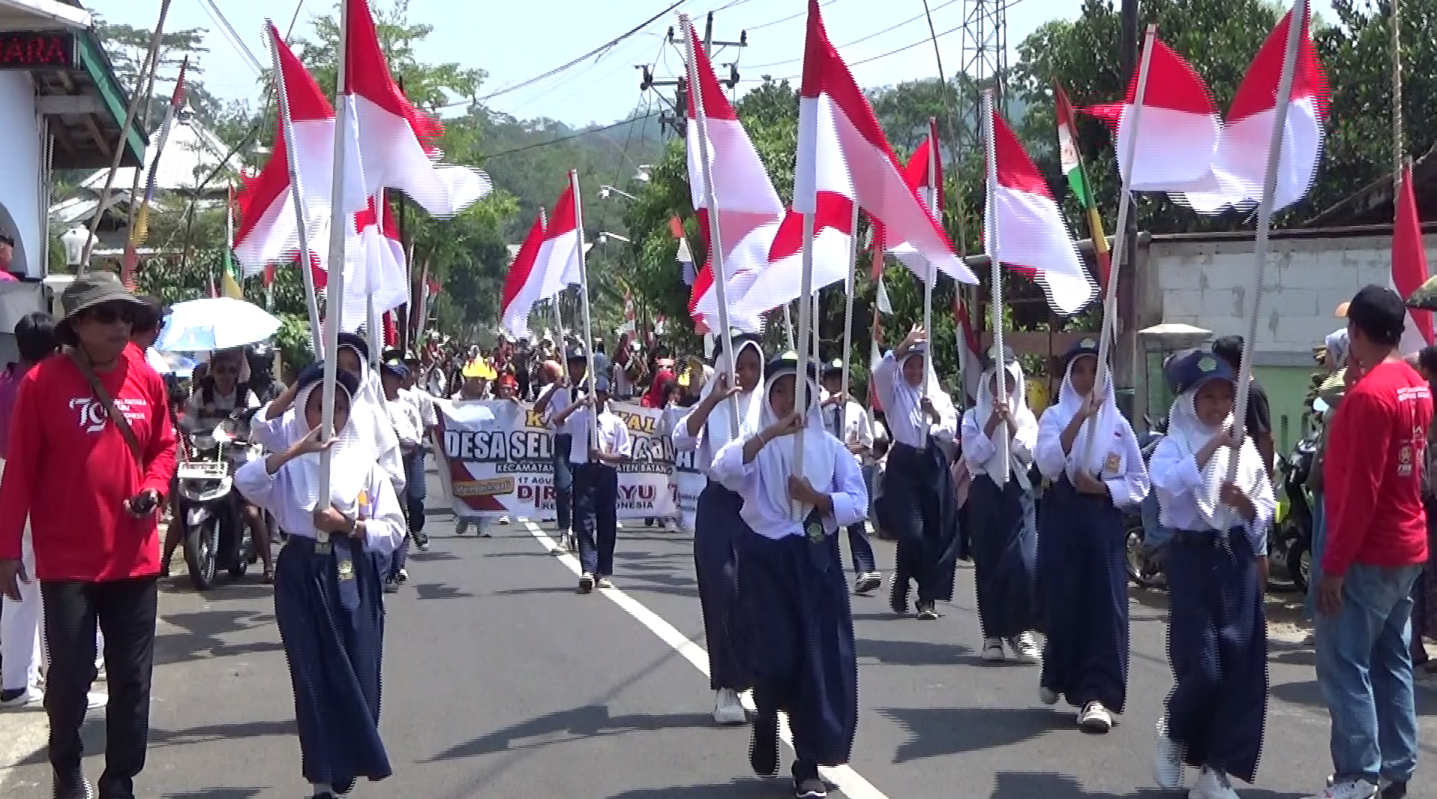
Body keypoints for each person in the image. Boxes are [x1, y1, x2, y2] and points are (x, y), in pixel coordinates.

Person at [0, 272, 178, 799]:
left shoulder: (147, 379)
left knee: (133, 681)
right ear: (77, 324)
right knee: (69, 680)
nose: (120, 325)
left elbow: (165, 446)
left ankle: (119, 779)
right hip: (67, 562)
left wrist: (154, 487)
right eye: (106, 315)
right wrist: (7, 549)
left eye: (127, 315)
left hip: (134, 557)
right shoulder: (41, 384)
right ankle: (66, 764)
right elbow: (19, 472)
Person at [234, 362, 405, 799]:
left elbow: (393, 529)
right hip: (301, 573)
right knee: (311, 676)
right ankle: (322, 779)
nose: (331, 416)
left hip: (351, 571)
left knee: (359, 671)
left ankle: (352, 756)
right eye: (320, 407)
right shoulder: (287, 464)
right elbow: (246, 483)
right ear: (304, 410)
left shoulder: (363, 464)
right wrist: (295, 451)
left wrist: (349, 526)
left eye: (340, 408)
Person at [711, 351, 866, 799]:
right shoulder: (755, 442)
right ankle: (765, 713)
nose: (786, 399)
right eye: (778, 390)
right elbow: (724, 470)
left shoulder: (830, 447)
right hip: (766, 560)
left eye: (795, 391)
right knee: (773, 657)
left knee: (816, 662)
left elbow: (858, 501)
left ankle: (808, 762)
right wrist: (770, 434)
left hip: (815, 560)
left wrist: (817, 498)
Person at [1308, 285, 1430, 799]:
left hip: (1368, 549)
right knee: (1390, 657)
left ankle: (1358, 772)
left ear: (1355, 330)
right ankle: (1396, 766)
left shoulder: (1368, 398)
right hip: (1407, 543)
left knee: (1344, 662)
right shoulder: (1415, 384)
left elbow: (1360, 491)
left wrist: (1334, 567)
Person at [1150, 348, 1274, 799]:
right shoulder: (1174, 444)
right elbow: (1167, 486)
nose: (1218, 407)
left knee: (1242, 668)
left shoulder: (1244, 449)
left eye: (1225, 396)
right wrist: (1214, 446)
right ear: (1189, 400)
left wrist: (1245, 504)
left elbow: (1265, 504)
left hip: (1235, 557)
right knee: (1203, 668)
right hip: (1192, 559)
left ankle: (1215, 770)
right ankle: (1174, 731)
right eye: (1208, 397)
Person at [1034, 337, 1150, 732]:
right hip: (1063, 518)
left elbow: (1139, 482)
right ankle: (1057, 669)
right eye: (1080, 371)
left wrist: (1103, 489)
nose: (1087, 379)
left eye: (1094, 371)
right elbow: (1047, 463)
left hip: (1101, 519)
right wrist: (1079, 420)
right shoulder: (1054, 416)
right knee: (1064, 602)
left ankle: (1097, 695)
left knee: (1105, 606)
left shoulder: (1118, 425)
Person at [1, 313, 106, 710]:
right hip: (40, 491)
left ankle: (16, 682)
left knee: (17, 588)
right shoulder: (48, 386)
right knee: (55, 588)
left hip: (6, 488)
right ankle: (59, 679)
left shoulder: (5, 383)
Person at [673, 333, 765, 724]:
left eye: (754, 367)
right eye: (739, 366)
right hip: (718, 506)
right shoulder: (713, 402)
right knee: (722, 588)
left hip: (760, 507)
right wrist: (712, 399)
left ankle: (757, 678)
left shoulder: (769, 404)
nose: (747, 374)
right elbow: (682, 439)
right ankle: (726, 687)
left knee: (755, 596)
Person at [871, 326, 961, 621]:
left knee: (935, 532)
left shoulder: (939, 396)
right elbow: (880, 372)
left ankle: (927, 597)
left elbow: (949, 430)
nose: (914, 372)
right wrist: (904, 345)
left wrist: (933, 414)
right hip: (904, 464)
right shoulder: (894, 393)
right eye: (910, 365)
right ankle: (902, 579)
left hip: (932, 463)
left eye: (920, 366)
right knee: (913, 532)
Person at [960, 346, 1041, 664]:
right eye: (995, 381)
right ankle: (992, 633)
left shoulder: (1028, 418)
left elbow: (1028, 454)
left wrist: (1011, 423)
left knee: (1024, 562)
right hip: (986, 493)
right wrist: (992, 423)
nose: (1001, 388)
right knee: (989, 563)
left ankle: (1021, 630)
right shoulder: (972, 418)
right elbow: (973, 458)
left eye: (1007, 381)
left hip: (1018, 493)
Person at [177, 347, 272, 581]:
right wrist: (183, 430)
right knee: (182, 503)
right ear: (213, 372)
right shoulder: (201, 395)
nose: (226, 375)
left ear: (238, 372)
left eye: (231, 370)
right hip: (208, 456)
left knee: (250, 512)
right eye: (221, 370)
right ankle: (164, 562)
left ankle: (269, 566)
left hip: (240, 457)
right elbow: (187, 423)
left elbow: (257, 424)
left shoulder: (247, 396)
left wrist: (246, 434)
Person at [549, 375, 630, 593]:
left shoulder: (615, 423)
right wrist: (578, 403)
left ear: (606, 395)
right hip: (583, 470)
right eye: (590, 393)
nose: (594, 398)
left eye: (598, 393)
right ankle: (587, 569)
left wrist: (603, 455)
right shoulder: (578, 417)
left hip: (605, 473)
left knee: (606, 522)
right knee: (583, 520)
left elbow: (624, 455)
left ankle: (603, 571)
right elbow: (557, 421)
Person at [818, 360, 882, 595]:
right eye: (832, 379)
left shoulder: (856, 411)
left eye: (840, 379)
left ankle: (865, 569)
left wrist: (847, 448)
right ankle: (827, 570)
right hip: (825, 468)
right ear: (825, 382)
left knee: (855, 517)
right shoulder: (819, 409)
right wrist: (827, 403)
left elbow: (867, 442)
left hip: (849, 468)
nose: (836, 384)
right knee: (827, 521)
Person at [534, 347, 590, 549]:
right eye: (575, 366)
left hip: (582, 441)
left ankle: (578, 530)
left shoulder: (589, 389)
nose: (579, 370)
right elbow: (538, 409)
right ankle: (564, 531)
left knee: (582, 489)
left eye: (582, 366)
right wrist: (554, 388)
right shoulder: (555, 388)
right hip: (563, 440)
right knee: (563, 485)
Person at [379, 359, 423, 592]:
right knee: (382, 513)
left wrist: (408, 443)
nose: (390, 380)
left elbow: (416, 433)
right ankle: (385, 571)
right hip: (380, 463)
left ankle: (397, 566)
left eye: (395, 377)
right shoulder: (374, 403)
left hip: (404, 459)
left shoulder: (407, 403)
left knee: (402, 509)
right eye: (387, 375)